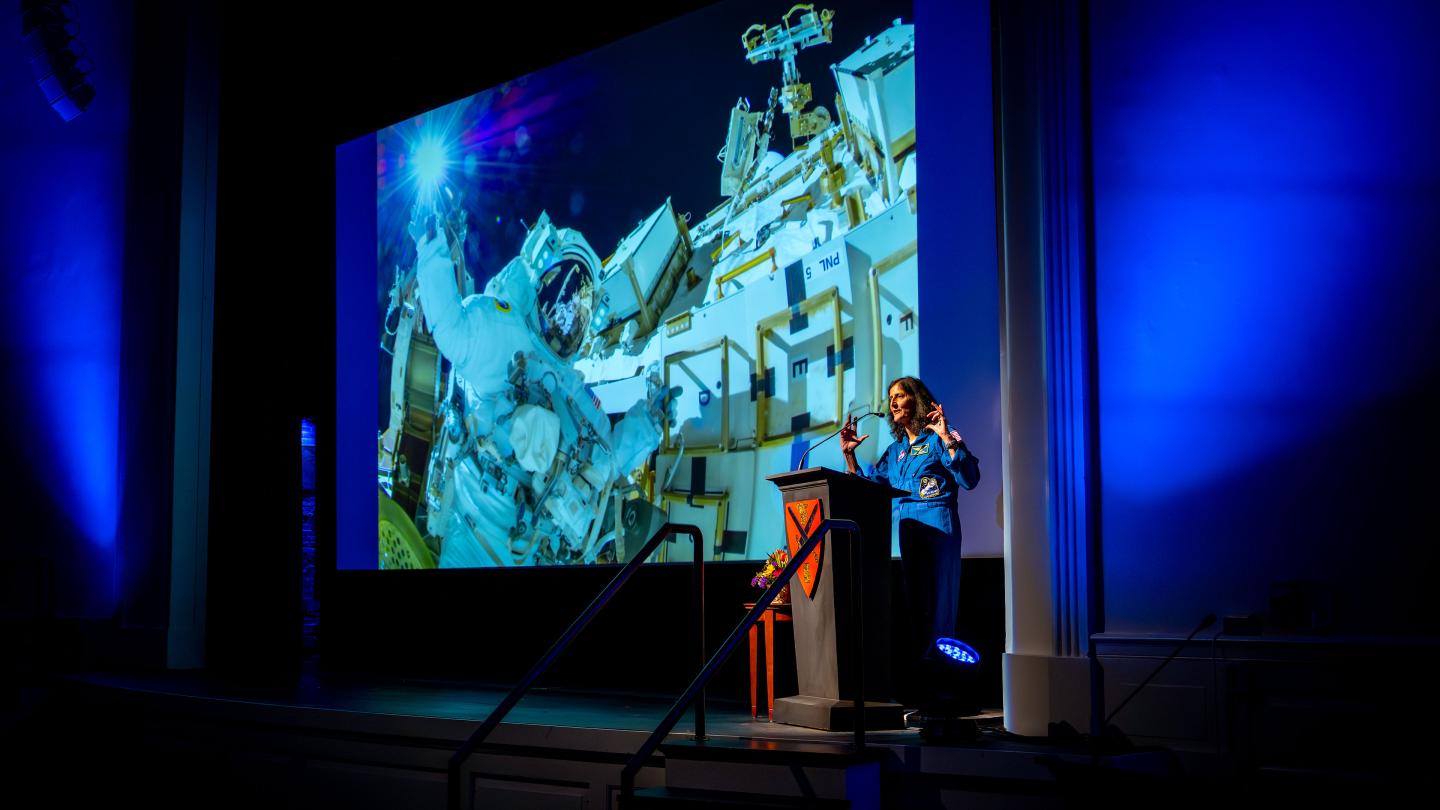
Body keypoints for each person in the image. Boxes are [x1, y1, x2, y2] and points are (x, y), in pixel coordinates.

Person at [839, 376, 980, 709]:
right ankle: (923, 691)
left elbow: (970, 479)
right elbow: (868, 490)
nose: (893, 402)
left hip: (938, 528)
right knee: (917, 610)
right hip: (909, 534)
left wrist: (947, 436)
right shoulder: (896, 451)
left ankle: (943, 690)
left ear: (916, 400)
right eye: (890, 397)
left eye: (900, 396)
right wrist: (849, 459)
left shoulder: (939, 437)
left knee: (939, 610)